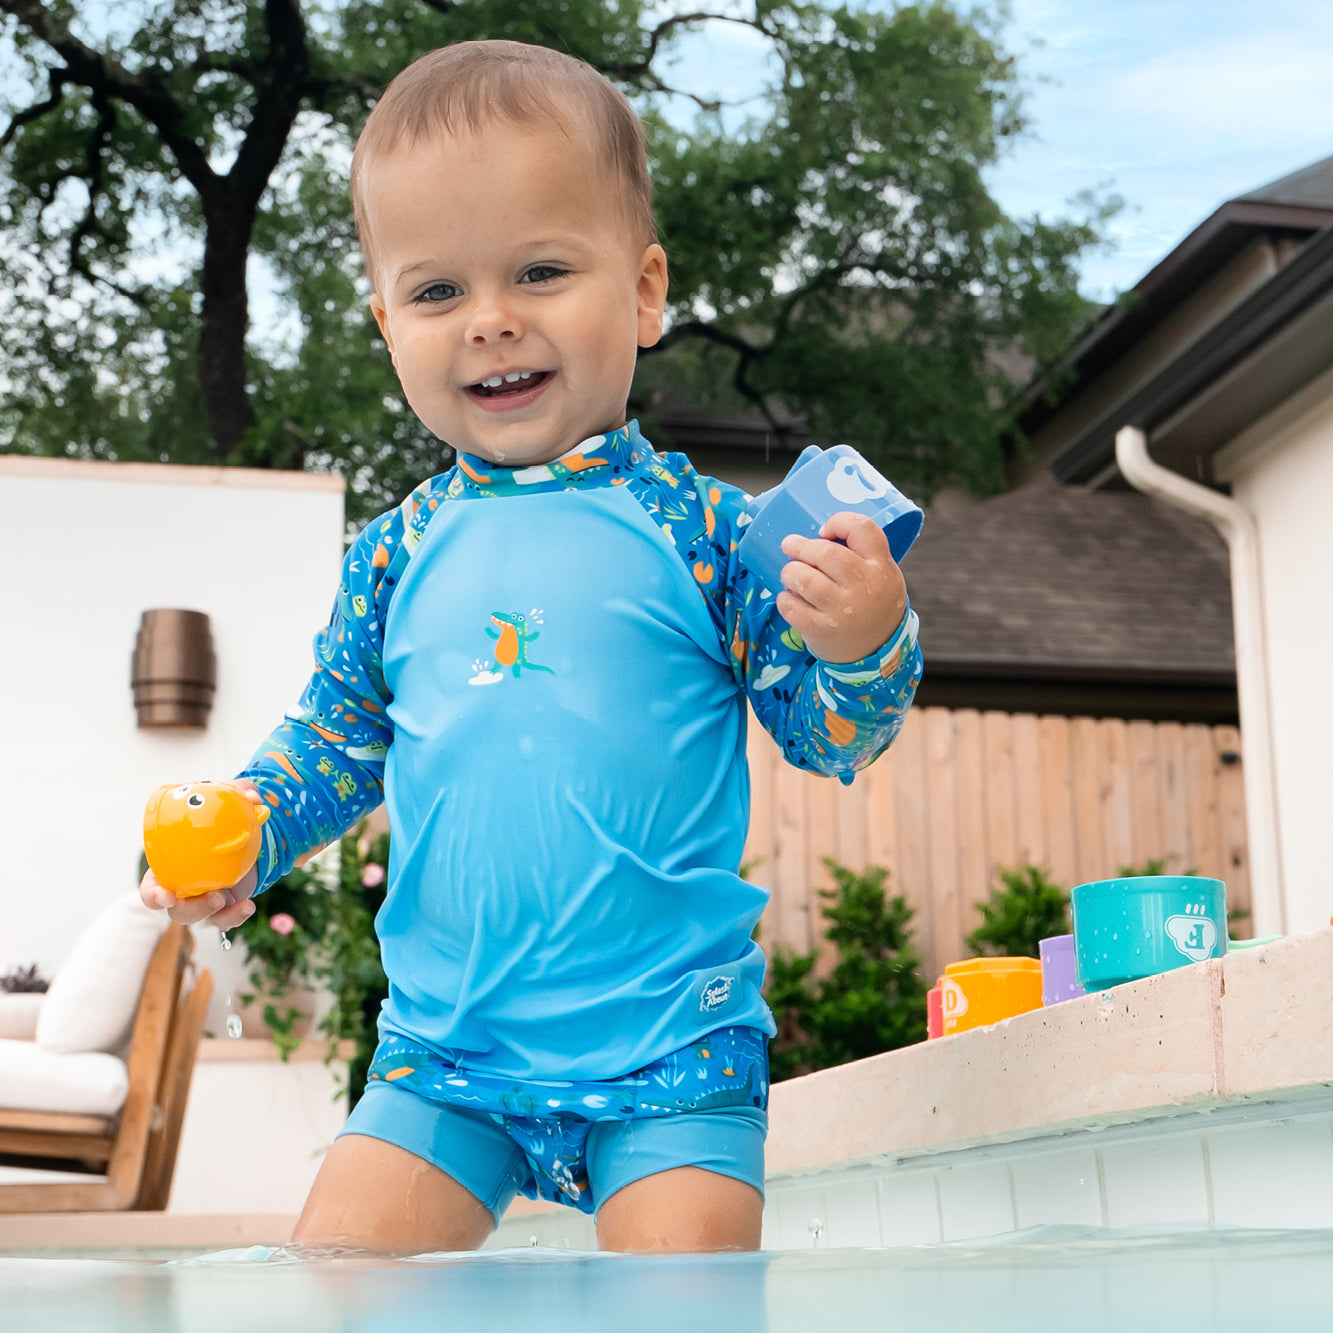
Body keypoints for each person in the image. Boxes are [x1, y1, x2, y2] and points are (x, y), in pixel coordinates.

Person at [140, 38, 922, 1255]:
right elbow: (334, 747)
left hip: (670, 1049)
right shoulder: (392, 556)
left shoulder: (707, 536)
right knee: (334, 1281)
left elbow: (831, 738)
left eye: (541, 271)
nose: (491, 321)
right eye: (436, 293)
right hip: (446, 1057)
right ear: (385, 322)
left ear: (645, 292)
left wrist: (866, 642)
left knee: (685, 1304)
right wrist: (247, 825)